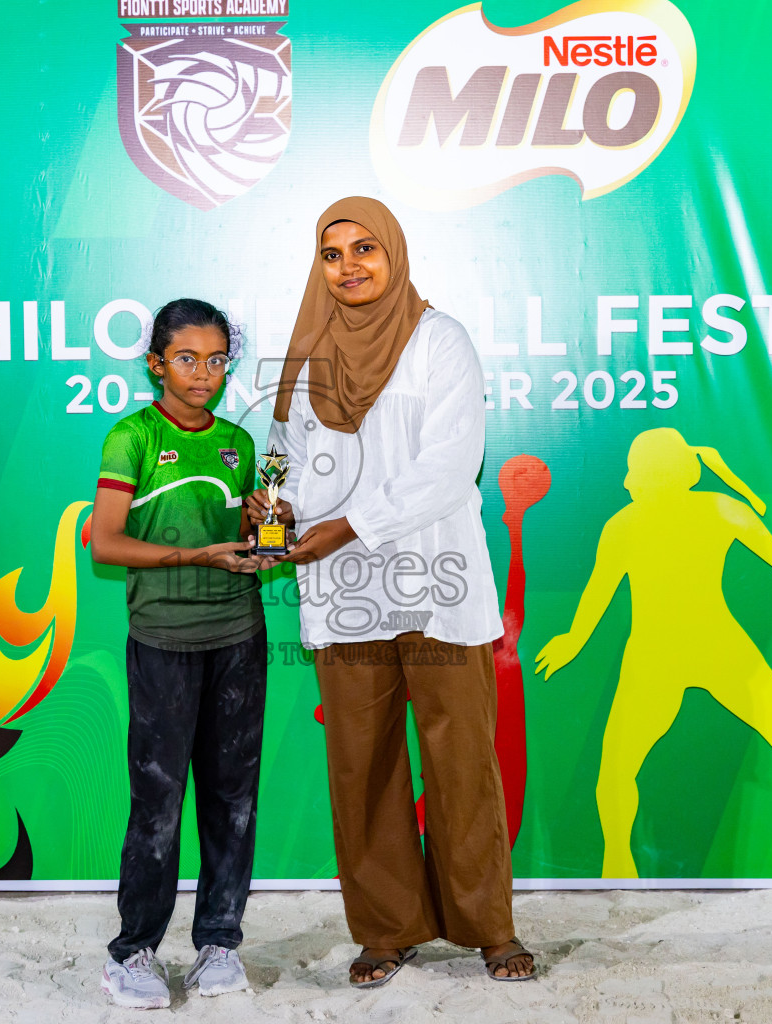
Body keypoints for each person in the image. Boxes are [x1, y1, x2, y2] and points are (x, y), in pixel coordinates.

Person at [252, 197, 535, 986]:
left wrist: (346, 524)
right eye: (332, 253)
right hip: (344, 596)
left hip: (437, 585)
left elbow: (448, 468)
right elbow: (285, 458)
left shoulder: (440, 341)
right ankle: (385, 929)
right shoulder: (305, 355)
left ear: (395, 254)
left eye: (364, 249)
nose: (349, 267)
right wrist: (275, 508)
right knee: (361, 764)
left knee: (460, 764)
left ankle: (490, 929)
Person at [534, 428, 772, 880]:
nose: (626, 482)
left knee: (618, 767)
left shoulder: (628, 523)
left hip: (665, 653)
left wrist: (573, 640)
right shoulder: (717, 508)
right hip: (708, 647)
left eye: (634, 471)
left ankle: (616, 866)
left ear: (645, 474)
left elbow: (596, 597)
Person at [89, 299, 270, 1009]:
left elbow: (243, 539)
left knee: (233, 800)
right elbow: (106, 542)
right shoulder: (130, 436)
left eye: (218, 359)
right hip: (162, 640)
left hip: (239, 638)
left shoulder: (237, 441)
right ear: (156, 364)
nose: (204, 373)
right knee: (158, 804)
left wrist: (259, 525)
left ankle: (219, 945)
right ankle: (133, 952)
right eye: (188, 359)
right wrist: (196, 554)